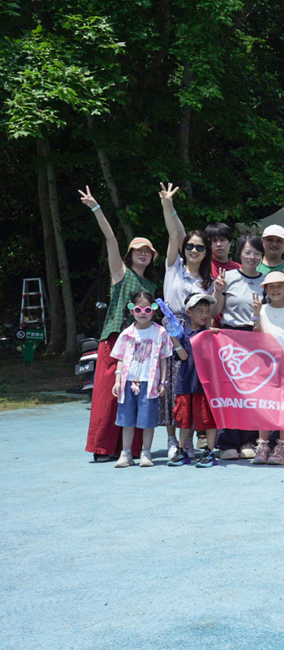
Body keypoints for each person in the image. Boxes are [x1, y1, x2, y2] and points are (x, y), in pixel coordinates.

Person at [80, 185, 160, 462]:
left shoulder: (152, 285)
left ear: (152, 257)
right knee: (107, 396)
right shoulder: (120, 273)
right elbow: (111, 239)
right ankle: (103, 448)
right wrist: (95, 207)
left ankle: (132, 449)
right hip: (115, 339)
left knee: (135, 395)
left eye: (147, 251)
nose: (143, 254)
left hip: (142, 345)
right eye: (138, 250)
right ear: (130, 254)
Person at [161, 198, 216, 459]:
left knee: (192, 389)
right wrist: (168, 206)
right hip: (172, 329)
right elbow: (174, 233)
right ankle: (173, 440)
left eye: (200, 247)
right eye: (190, 246)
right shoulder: (174, 266)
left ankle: (189, 441)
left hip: (197, 333)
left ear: (206, 252)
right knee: (172, 387)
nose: (194, 250)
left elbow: (211, 312)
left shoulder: (208, 281)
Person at [215, 234, 267, 460]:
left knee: (252, 391)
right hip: (230, 336)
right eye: (248, 252)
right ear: (239, 254)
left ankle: (248, 440)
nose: (252, 257)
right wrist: (218, 291)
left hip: (255, 337)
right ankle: (227, 442)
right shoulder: (228, 277)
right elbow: (216, 311)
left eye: (257, 253)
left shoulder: (266, 280)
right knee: (229, 391)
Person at [110, 291, 173, 468]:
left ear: (154, 310)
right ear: (132, 311)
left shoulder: (160, 332)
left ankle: (146, 452)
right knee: (127, 420)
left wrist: (163, 382)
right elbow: (120, 359)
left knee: (147, 421)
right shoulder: (126, 334)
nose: (142, 313)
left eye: (147, 309)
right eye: (138, 309)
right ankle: (126, 453)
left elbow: (164, 359)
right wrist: (117, 380)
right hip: (128, 384)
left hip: (150, 383)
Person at [250, 272, 284, 466]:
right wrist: (256, 314)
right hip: (265, 365)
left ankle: (282, 446)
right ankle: (263, 445)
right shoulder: (261, 309)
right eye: (270, 286)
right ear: (265, 290)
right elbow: (257, 335)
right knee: (265, 404)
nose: (275, 289)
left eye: (279, 285)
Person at [166, 293, 219, 468]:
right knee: (183, 419)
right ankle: (181, 451)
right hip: (185, 382)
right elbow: (183, 356)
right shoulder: (183, 334)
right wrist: (174, 337)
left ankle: (209, 451)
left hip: (205, 385)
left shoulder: (211, 334)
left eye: (207, 311)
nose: (204, 315)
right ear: (188, 312)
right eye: (200, 311)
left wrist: (216, 335)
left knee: (208, 418)